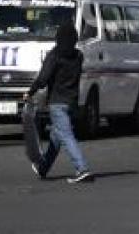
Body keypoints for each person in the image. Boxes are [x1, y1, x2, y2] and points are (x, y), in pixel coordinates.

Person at [24, 21, 93, 184]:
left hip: (57, 102)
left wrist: (30, 91)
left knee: (66, 136)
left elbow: (43, 78)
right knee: (56, 137)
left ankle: (82, 168)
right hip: (72, 102)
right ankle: (43, 167)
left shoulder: (54, 55)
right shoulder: (79, 56)